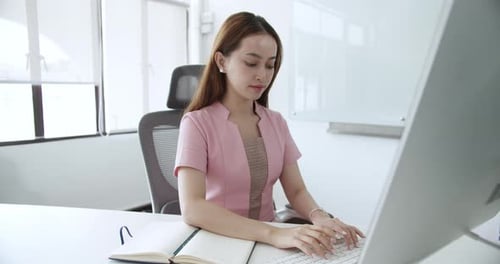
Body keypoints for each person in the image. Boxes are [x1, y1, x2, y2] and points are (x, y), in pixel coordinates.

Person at [174, 11, 364, 258]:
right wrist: (273, 234)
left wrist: (320, 217)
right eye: (251, 63)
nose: (262, 75)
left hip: (267, 244)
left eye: (270, 64)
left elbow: (296, 191)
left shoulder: (276, 122)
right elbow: (193, 208)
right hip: (217, 241)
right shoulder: (197, 123)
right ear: (221, 61)